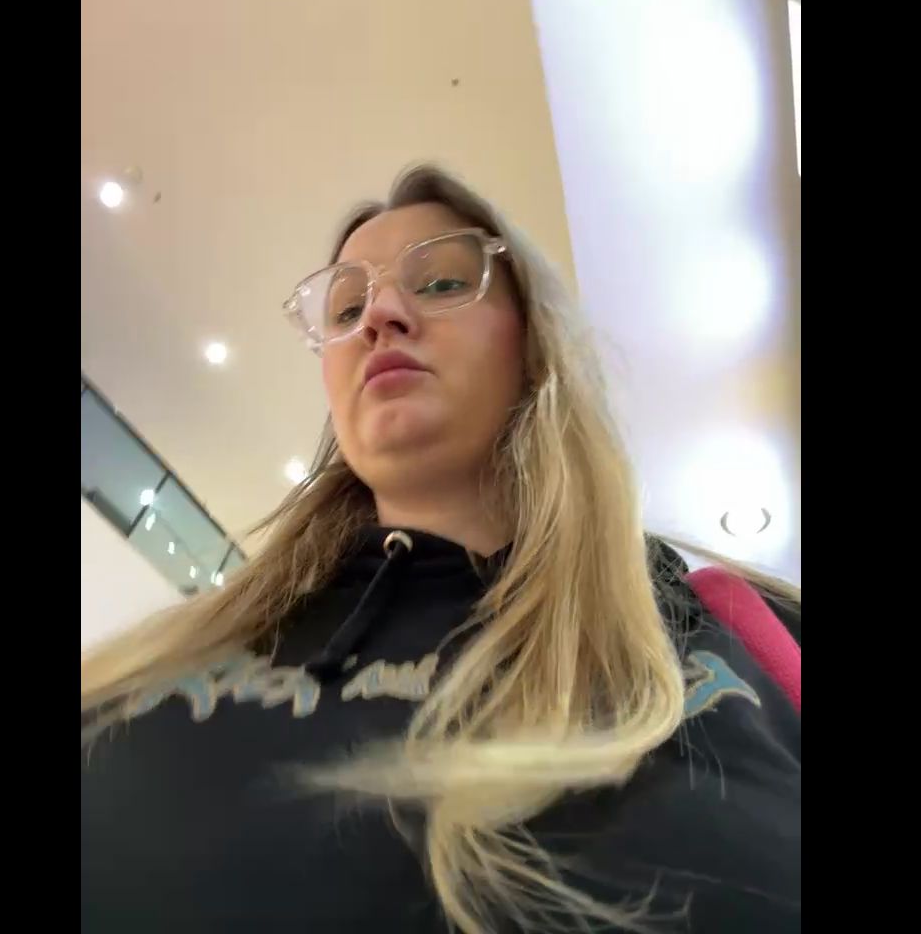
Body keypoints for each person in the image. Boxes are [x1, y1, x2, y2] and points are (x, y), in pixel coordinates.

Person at [81, 165, 801, 934]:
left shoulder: (742, 634)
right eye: (348, 307)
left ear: (537, 341)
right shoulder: (146, 679)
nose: (380, 315)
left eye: (442, 283)